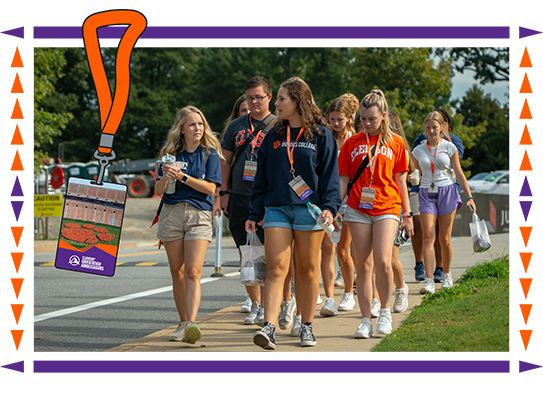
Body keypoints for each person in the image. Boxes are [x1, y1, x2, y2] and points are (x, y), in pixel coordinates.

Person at [246, 77, 341, 350]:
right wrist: (255, 212)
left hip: (309, 212)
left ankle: (306, 325)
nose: (275, 103)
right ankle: (269, 326)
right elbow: (260, 178)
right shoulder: (273, 135)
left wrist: (330, 208)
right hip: (276, 207)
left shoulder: (322, 135)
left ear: (297, 101)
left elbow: (330, 179)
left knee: (308, 270)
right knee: (276, 268)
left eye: (281, 99)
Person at [337, 90, 414, 339]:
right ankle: (365, 319)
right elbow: (344, 180)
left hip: (388, 206)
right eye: (363, 119)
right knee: (363, 264)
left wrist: (408, 214)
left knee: (383, 259)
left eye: (371, 119)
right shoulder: (352, 143)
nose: (367, 124)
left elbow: (401, 182)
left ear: (383, 116)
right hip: (358, 208)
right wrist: (338, 206)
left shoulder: (396, 143)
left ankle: (385, 312)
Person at [155, 106, 224, 344]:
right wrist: (166, 176)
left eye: (201, 124)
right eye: (192, 124)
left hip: (199, 215)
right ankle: (183, 323)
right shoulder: (170, 154)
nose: (198, 128)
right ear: (181, 128)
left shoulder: (209, 153)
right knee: (178, 272)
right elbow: (157, 190)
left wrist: (183, 177)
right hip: (171, 214)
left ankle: (192, 323)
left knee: (194, 271)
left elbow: (211, 188)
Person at [218, 76, 277, 324]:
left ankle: (278, 303)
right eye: (249, 97)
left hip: (269, 198)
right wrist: (223, 192)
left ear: (269, 97)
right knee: (248, 253)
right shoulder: (236, 126)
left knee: (271, 254)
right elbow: (224, 160)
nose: (253, 101)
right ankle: (256, 304)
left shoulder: (279, 125)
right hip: (240, 196)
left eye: (258, 97)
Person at [411, 110, 476, 294]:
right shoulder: (417, 150)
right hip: (425, 192)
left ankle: (447, 275)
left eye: (435, 127)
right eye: (428, 127)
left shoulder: (450, 147)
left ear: (442, 127)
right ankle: (429, 280)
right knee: (427, 236)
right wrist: (412, 177)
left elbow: (459, 172)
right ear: (424, 128)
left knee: (444, 239)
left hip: (447, 190)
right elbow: (415, 171)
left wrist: (469, 196)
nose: (431, 131)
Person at [319, 97, 357, 315]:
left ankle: (349, 293)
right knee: (327, 248)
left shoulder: (355, 139)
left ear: (349, 117)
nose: (335, 123)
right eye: (331, 119)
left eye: (339, 119)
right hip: (328, 200)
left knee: (343, 250)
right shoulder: (324, 137)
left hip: (350, 200)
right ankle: (330, 298)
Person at [387, 110, 415, 313]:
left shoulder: (400, 149)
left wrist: (408, 215)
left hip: (394, 207)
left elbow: (406, 183)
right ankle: (378, 299)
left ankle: (400, 288)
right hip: (373, 207)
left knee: (390, 258)